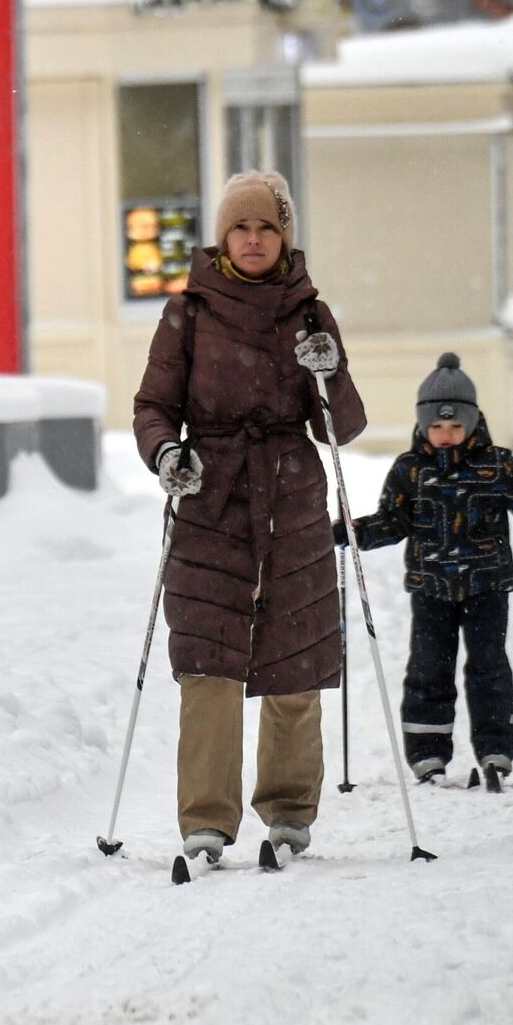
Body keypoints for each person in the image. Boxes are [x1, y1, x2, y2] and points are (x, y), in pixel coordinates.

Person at [135, 171, 367, 863]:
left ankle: (290, 811)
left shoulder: (308, 313)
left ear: (284, 235)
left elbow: (343, 426)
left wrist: (328, 372)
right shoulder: (189, 313)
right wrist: (167, 452)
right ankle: (206, 819)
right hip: (210, 501)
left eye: (267, 227)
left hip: (291, 502)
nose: (255, 238)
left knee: (293, 660)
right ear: (223, 236)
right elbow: (152, 407)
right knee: (208, 665)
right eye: (242, 226)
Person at [334, 353, 513, 784]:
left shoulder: (495, 465)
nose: (446, 435)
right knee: (429, 669)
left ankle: (494, 751)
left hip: (487, 585)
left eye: (455, 426)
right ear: (423, 426)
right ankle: (428, 754)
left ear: (472, 423)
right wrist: (352, 532)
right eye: (437, 427)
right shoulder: (409, 471)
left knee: (488, 667)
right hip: (431, 587)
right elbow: (393, 522)